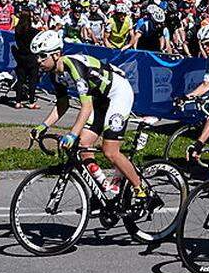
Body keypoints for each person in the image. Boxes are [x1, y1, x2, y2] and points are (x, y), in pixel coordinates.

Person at [32, 29, 150, 203]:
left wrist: (72, 133)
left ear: (56, 54)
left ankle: (141, 188)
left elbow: (86, 107)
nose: (38, 61)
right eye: (36, 56)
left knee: (109, 150)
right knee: (83, 146)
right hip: (101, 98)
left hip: (118, 93)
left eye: (42, 56)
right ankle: (104, 190)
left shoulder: (72, 65)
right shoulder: (54, 74)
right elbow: (62, 104)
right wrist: (43, 126)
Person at [12, 8, 40, 109]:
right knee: (32, 80)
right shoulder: (33, 31)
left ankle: (18, 101)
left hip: (21, 56)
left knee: (21, 80)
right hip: (31, 57)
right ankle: (31, 102)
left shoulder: (17, 29)